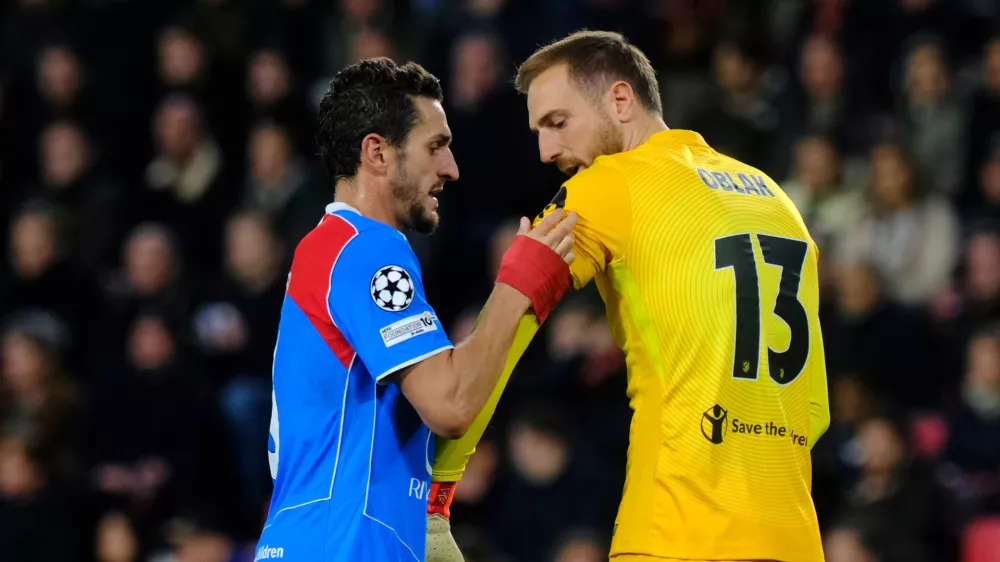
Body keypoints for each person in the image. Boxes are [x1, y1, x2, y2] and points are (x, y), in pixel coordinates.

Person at [428, 31, 831, 562]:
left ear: (620, 100)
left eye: (557, 122)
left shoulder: (607, 185)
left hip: (674, 533)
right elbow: (814, 408)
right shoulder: (776, 199)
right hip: (793, 537)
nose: (546, 151)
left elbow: (500, 340)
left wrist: (437, 494)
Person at [255, 58, 577, 561]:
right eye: (435, 147)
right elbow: (450, 404)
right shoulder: (365, 248)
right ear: (377, 153)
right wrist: (518, 285)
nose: (450, 168)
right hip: (345, 547)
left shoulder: (330, 250)